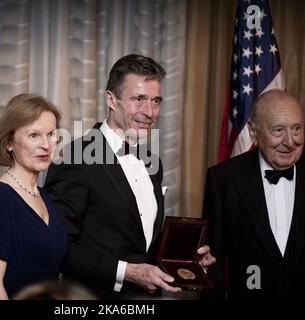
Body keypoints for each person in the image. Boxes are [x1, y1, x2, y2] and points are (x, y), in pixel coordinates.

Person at [44, 54, 215, 299]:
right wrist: (128, 272)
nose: (149, 112)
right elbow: (59, 247)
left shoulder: (153, 163)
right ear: (111, 99)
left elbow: (140, 243)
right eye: (138, 99)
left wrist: (186, 259)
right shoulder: (74, 156)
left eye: (156, 101)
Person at [203, 89, 305, 300]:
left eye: (296, 129)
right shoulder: (224, 179)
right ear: (253, 132)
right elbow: (211, 264)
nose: (290, 141)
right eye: (279, 130)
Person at [0, 94, 67, 300]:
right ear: (9, 142)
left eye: (51, 134)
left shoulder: (45, 196)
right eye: (34, 135)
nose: (46, 145)